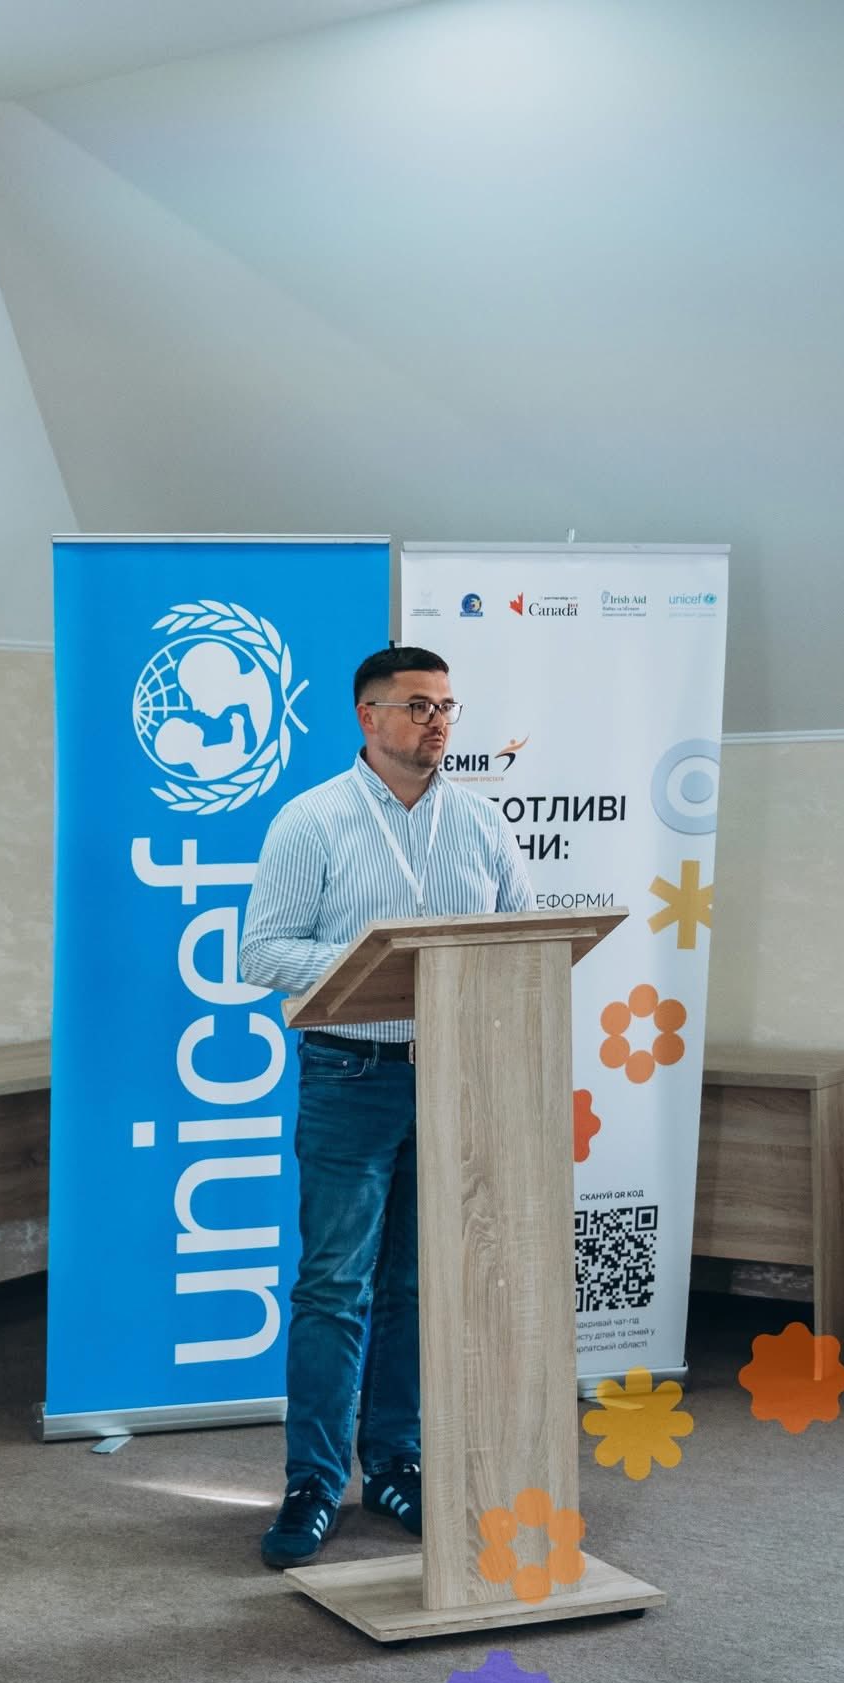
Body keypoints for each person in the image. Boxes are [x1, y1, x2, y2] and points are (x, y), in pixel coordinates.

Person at [237, 645, 532, 1569]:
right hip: (350, 1075)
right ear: (368, 717)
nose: (436, 721)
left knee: (416, 1283)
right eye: (416, 706)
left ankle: (397, 1461)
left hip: (455, 1075)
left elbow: (523, 937)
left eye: (446, 706)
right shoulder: (312, 821)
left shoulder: (481, 822)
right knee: (335, 1285)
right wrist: (382, 960)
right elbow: (261, 951)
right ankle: (314, 1479)